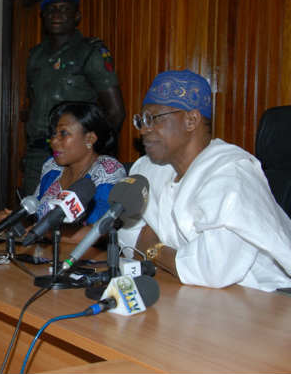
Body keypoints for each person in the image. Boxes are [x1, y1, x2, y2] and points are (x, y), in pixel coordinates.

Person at [119, 70, 291, 292]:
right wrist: (172, 256)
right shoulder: (149, 168)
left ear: (191, 120)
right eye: (141, 120)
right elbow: (125, 237)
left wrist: (153, 248)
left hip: (263, 299)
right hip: (186, 290)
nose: (143, 129)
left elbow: (211, 269)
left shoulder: (230, 175)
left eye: (153, 118)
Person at [23, 0, 125, 196]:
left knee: (74, 220)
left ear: (76, 16)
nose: (56, 15)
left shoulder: (90, 52)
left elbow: (115, 111)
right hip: (38, 153)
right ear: (43, 17)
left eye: (64, 10)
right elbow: (35, 105)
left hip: (76, 154)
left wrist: (94, 153)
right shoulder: (35, 56)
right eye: (51, 10)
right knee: (33, 217)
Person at [0, 101, 126, 242]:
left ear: (90, 139)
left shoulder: (108, 170)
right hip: (41, 254)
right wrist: (15, 221)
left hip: (84, 259)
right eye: (53, 134)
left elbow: (101, 231)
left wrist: (43, 232)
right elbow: (35, 213)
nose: (54, 141)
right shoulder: (52, 167)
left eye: (63, 133)